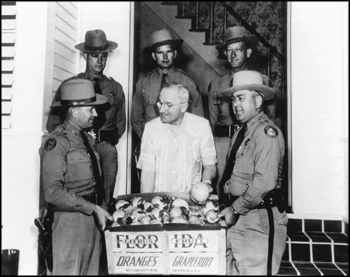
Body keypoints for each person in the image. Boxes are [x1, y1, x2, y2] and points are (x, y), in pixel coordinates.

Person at [39, 78, 114, 275]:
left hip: (91, 220)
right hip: (68, 223)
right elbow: (52, 192)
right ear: (73, 110)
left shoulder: (86, 139)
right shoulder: (57, 143)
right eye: (91, 109)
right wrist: (92, 208)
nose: (95, 114)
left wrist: (98, 209)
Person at [217, 70, 288, 275]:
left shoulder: (266, 133)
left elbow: (264, 183)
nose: (235, 104)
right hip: (238, 216)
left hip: (257, 220)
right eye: (233, 99)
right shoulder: (242, 131)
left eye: (241, 98)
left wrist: (235, 209)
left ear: (258, 100)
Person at [46, 29, 126, 206]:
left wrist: (104, 142)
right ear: (85, 56)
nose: (100, 60)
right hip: (79, 148)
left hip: (106, 149)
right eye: (94, 56)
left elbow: (120, 125)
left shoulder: (116, 88)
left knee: (105, 201)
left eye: (103, 55)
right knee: (81, 198)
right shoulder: (71, 86)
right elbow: (53, 124)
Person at [208, 26, 260, 197]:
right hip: (222, 143)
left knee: (247, 187)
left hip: (248, 141)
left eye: (238, 49)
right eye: (229, 50)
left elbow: (266, 118)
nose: (233, 54)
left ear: (249, 52)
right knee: (220, 189)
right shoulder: (216, 85)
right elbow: (211, 120)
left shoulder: (260, 82)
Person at [137, 82, 217, 193]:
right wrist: (147, 205)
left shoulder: (201, 126)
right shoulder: (151, 128)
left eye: (168, 105)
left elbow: (210, 165)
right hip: (159, 201)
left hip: (191, 201)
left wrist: (206, 183)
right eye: (160, 103)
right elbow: (147, 173)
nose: (161, 110)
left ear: (183, 106)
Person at [131, 28, 204, 141]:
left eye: (168, 52)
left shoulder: (188, 83)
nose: (165, 57)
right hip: (152, 143)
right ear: (154, 56)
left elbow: (198, 118)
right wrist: (147, 139)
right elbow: (136, 119)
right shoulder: (143, 84)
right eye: (160, 52)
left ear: (174, 54)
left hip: (180, 144)